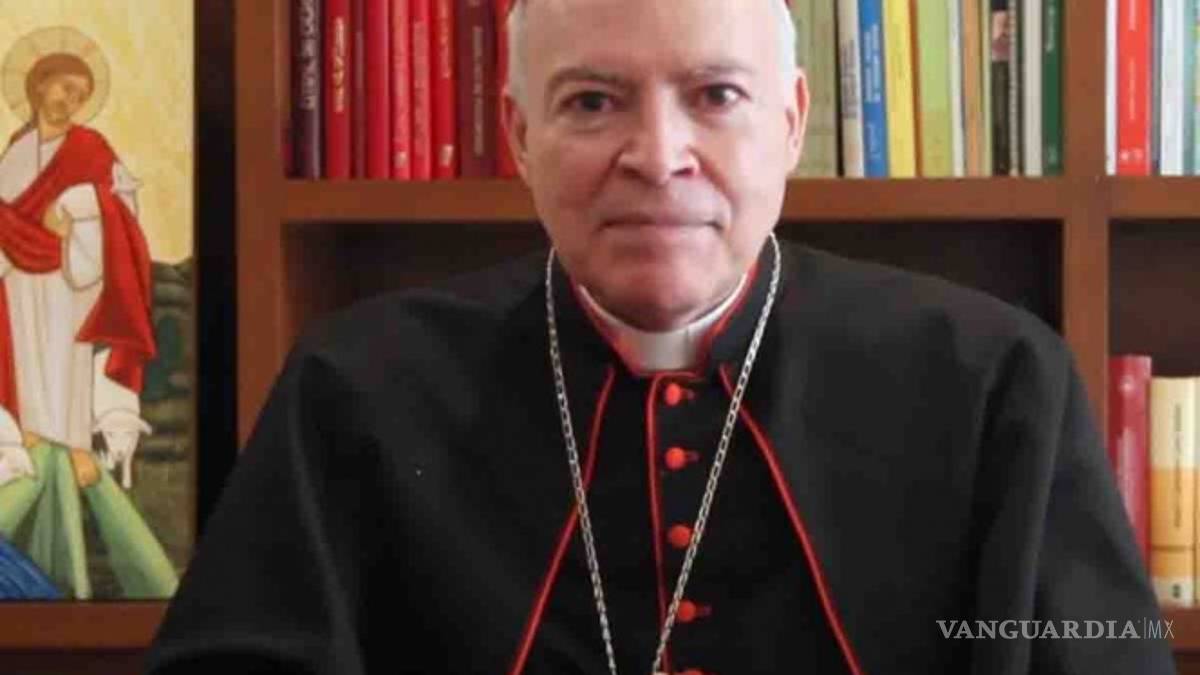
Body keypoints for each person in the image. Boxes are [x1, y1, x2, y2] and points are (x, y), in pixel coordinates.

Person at [146, 0, 1174, 672]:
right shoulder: (358, 387)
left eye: (715, 96)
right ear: (520, 136)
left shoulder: (992, 380)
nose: (657, 154)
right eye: (593, 101)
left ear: (790, 121)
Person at [0, 28, 171, 599]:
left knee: (66, 351)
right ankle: (30, 430)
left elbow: (120, 203)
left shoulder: (92, 147)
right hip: (18, 274)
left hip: (72, 272)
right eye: (60, 87)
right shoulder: (17, 149)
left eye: (78, 92)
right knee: (26, 352)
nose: (67, 99)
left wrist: (75, 205)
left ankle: (72, 440)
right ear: (37, 87)